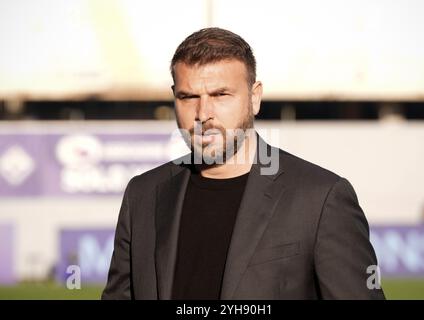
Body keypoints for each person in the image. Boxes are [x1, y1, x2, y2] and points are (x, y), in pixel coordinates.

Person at [102, 27, 385, 300]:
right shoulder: (143, 194)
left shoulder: (321, 198)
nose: (203, 113)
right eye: (188, 97)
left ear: (254, 97)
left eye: (220, 95)